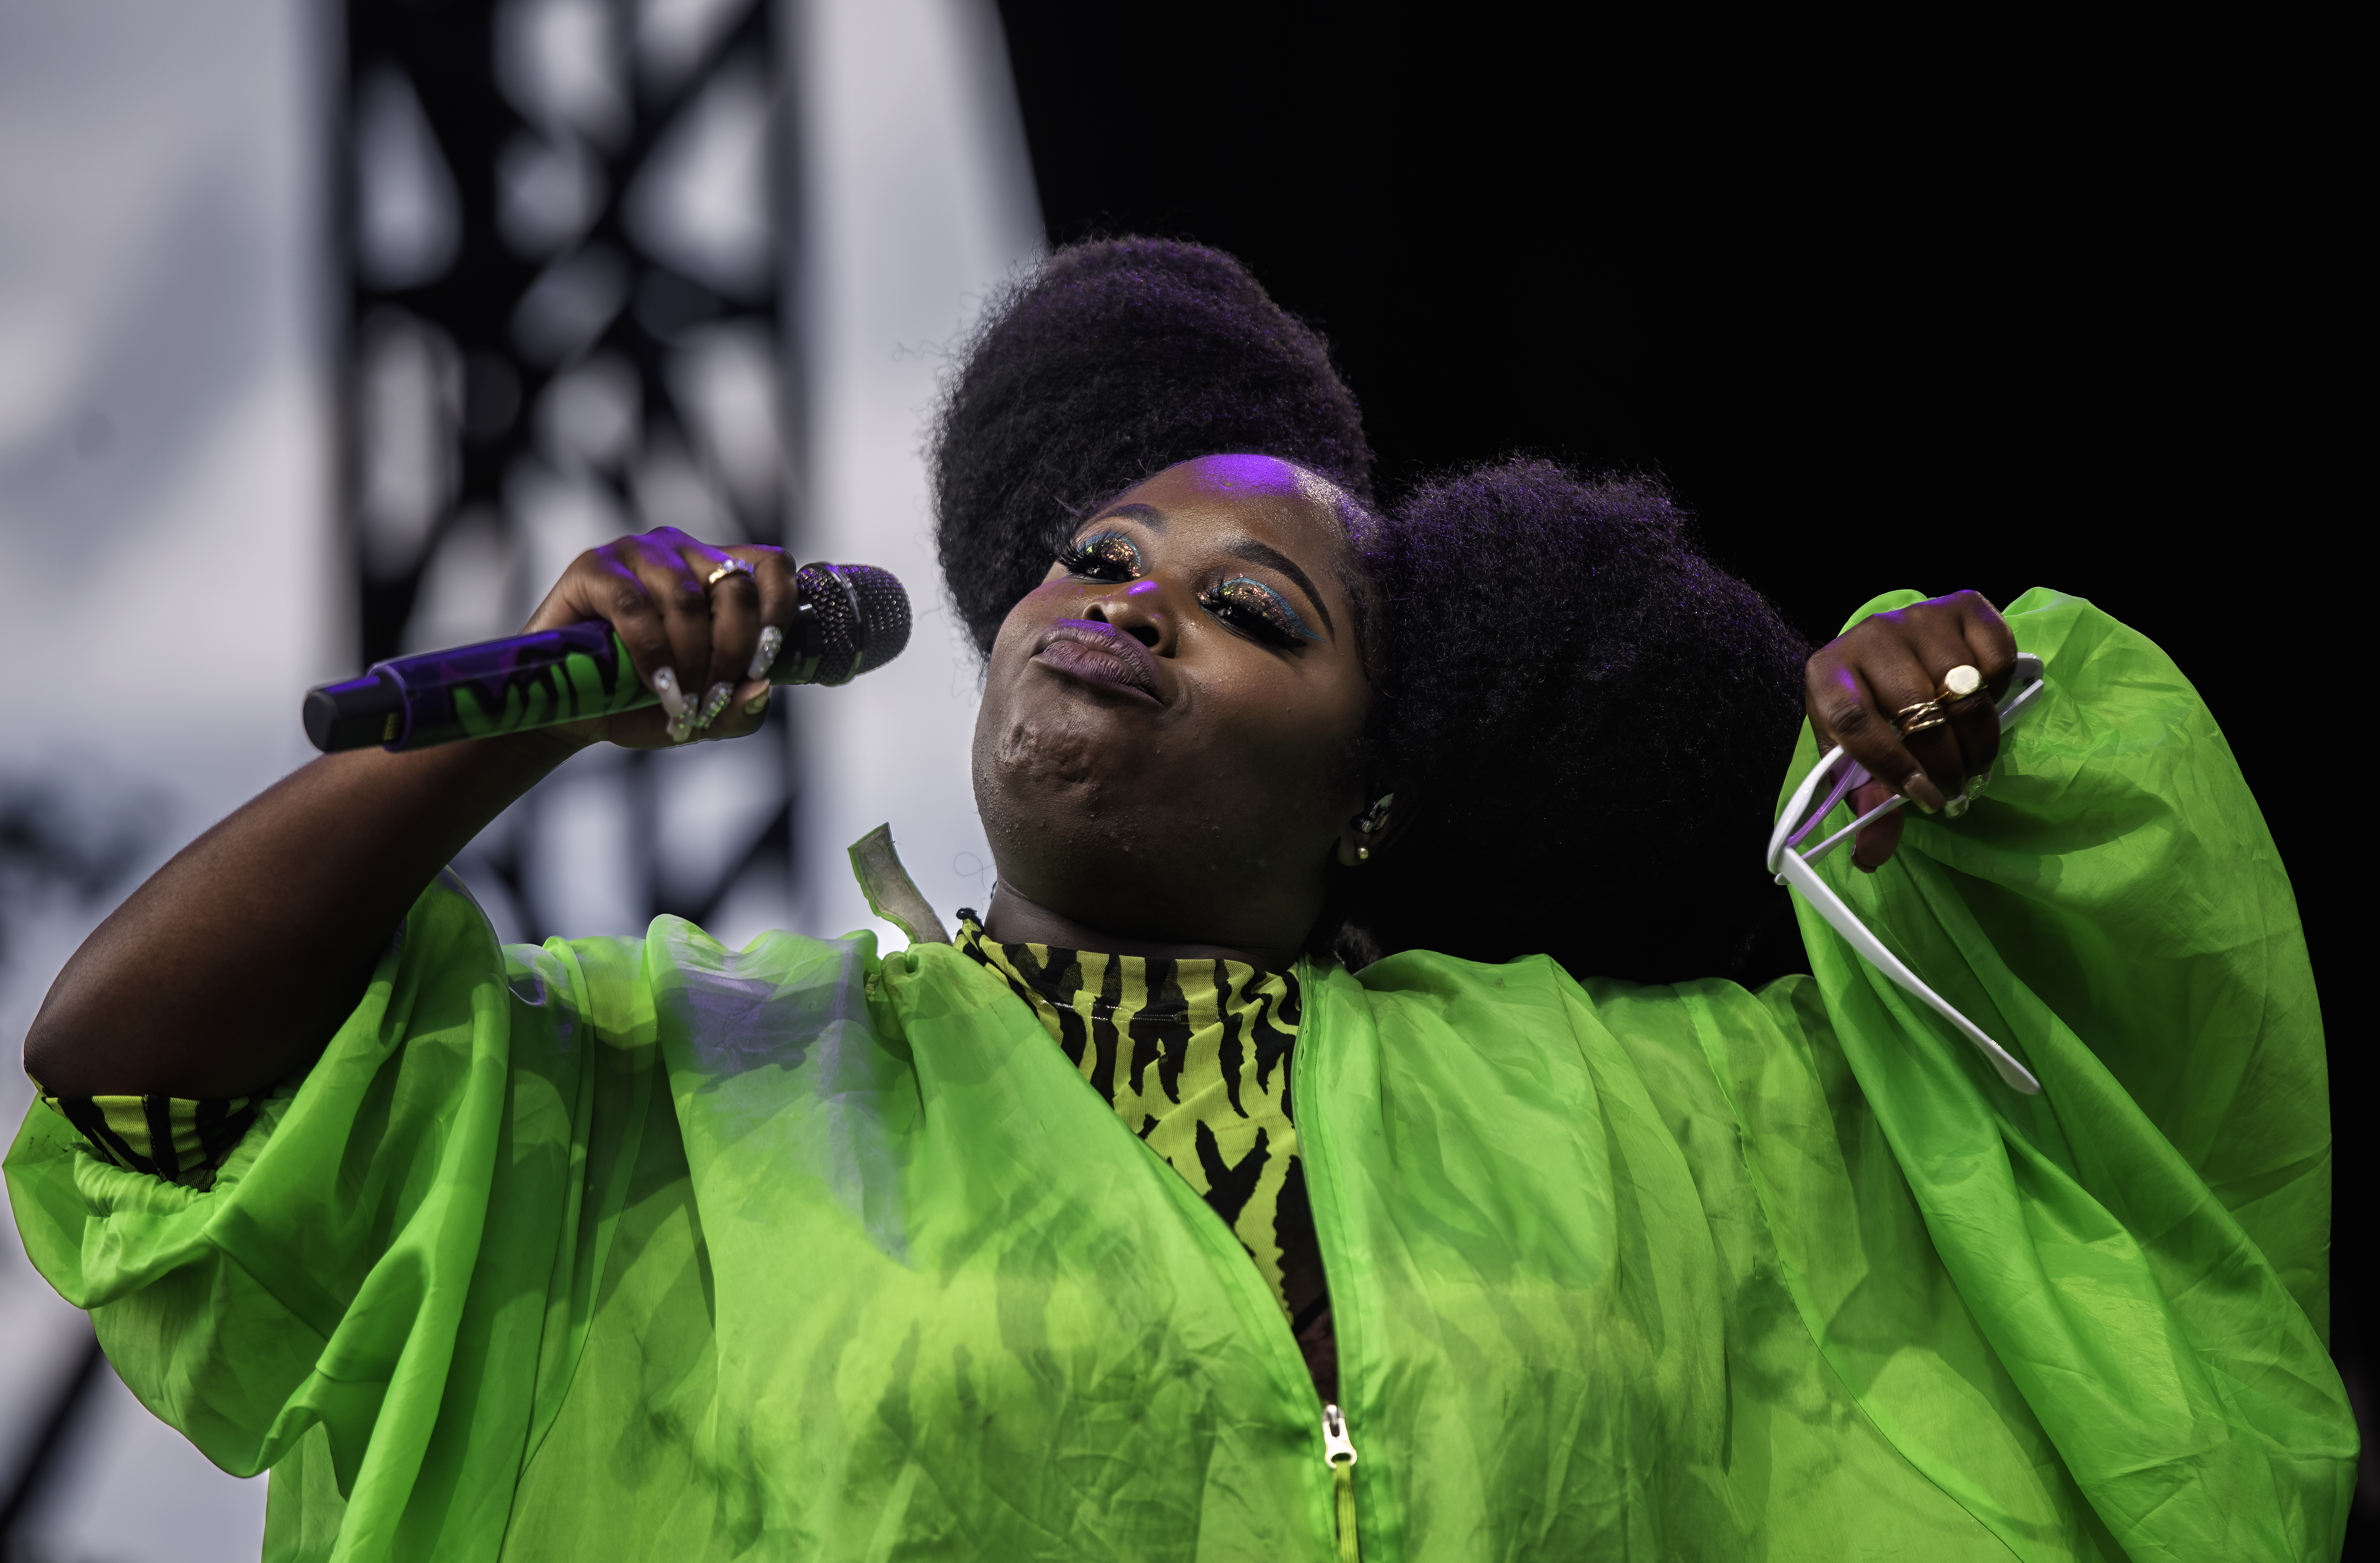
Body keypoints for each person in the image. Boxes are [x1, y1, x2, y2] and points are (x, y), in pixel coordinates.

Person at [9, 240, 2352, 1562]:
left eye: (1261, 613)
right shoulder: (687, 1079)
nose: (1128, 604)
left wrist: (1968, 753)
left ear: (1369, 798)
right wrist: (544, 716)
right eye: (1101, 559)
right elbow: (147, 1096)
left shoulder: (1646, 1100)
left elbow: (2101, 1162)